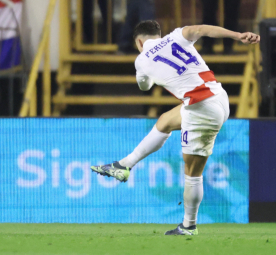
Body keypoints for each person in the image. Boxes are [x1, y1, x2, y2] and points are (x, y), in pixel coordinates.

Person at [91, 20, 260, 236]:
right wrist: (237, 35)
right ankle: (124, 165)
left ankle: (189, 226)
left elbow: (145, 86)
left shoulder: (141, 60)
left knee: (192, 173)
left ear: (140, 42)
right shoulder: (177, 35)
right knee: (165, 121)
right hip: (219, 97)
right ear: (159, 35)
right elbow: (203, 29)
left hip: (200, 109)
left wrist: (148, 72)